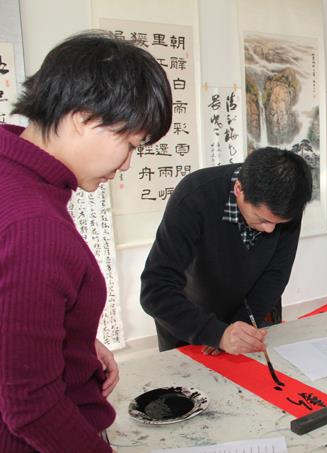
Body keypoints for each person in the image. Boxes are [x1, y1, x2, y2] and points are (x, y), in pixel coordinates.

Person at [0, 31, 172, 453]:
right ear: (83, 118)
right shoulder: (35, 227)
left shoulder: (12, 174)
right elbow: (32, 406)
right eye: (129, 143)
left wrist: (68, 339)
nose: (127, 163)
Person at [140, 147, 313, 355]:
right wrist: (216, 333)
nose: (270, 230)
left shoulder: (287, 203)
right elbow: (155, 289)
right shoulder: (195, 195)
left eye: (279, 223)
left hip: (251, 315)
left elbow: (276, 274)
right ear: (239, 189)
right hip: (190, 320)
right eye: (262, 219)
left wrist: (240, 327)